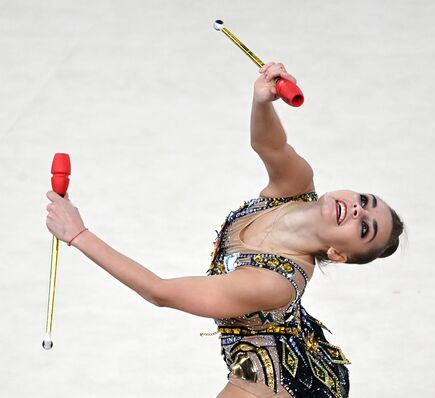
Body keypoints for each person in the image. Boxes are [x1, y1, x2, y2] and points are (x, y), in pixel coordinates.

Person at [46, 62, 404, 398]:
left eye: (364, 228)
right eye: (365, 200)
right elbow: (268, 144)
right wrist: (263, 101)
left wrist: (79, 235)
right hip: (293, 340)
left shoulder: (273, 282)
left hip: (271, 376)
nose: (358, 209)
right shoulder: (296, 185)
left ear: (337, 255)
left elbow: (161, 292)